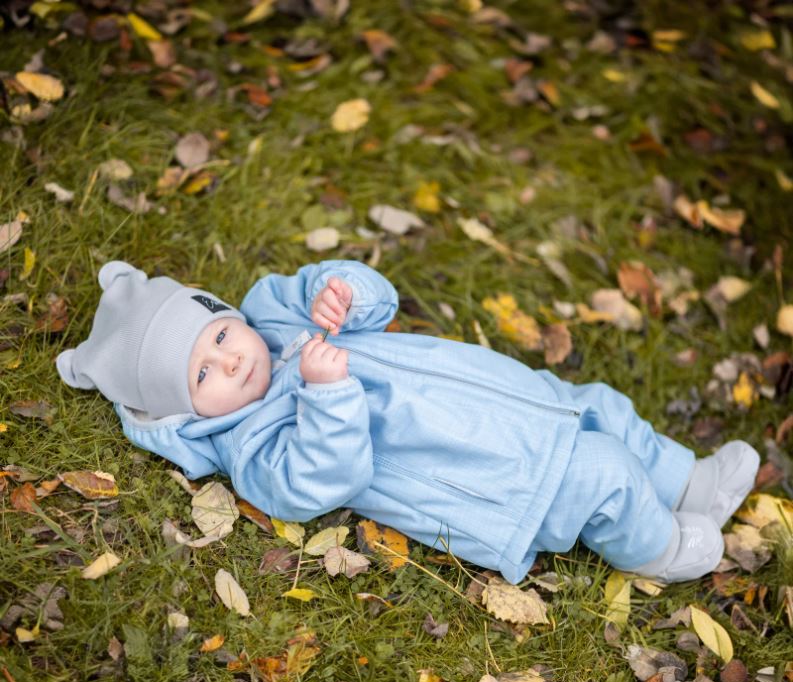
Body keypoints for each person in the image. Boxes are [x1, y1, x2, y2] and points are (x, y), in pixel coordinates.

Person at [56, 259, 760, 584]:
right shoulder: (253, 446)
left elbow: (373, 302)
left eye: (216, 339)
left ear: (228, 314)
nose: (228, 363)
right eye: (201, 377)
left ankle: (682, 477)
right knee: (597, 474)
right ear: (186, 415)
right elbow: (317, 481)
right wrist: (327, 395)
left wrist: (345, 291)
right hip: (486, 474)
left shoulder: (277, 317)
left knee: (599, 405)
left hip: (513, 398)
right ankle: (656, 545)